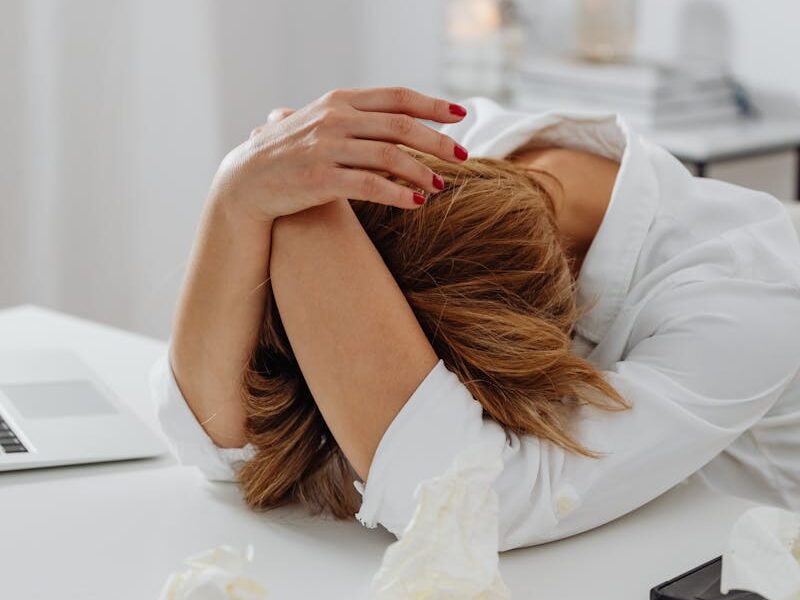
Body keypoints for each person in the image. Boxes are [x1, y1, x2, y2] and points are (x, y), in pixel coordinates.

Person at [150, 86, 800, 552]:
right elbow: (217, 443)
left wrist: (297, 209)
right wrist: (239, 191)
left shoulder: (751, 296)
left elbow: (465, 505)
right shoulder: (447, 154)